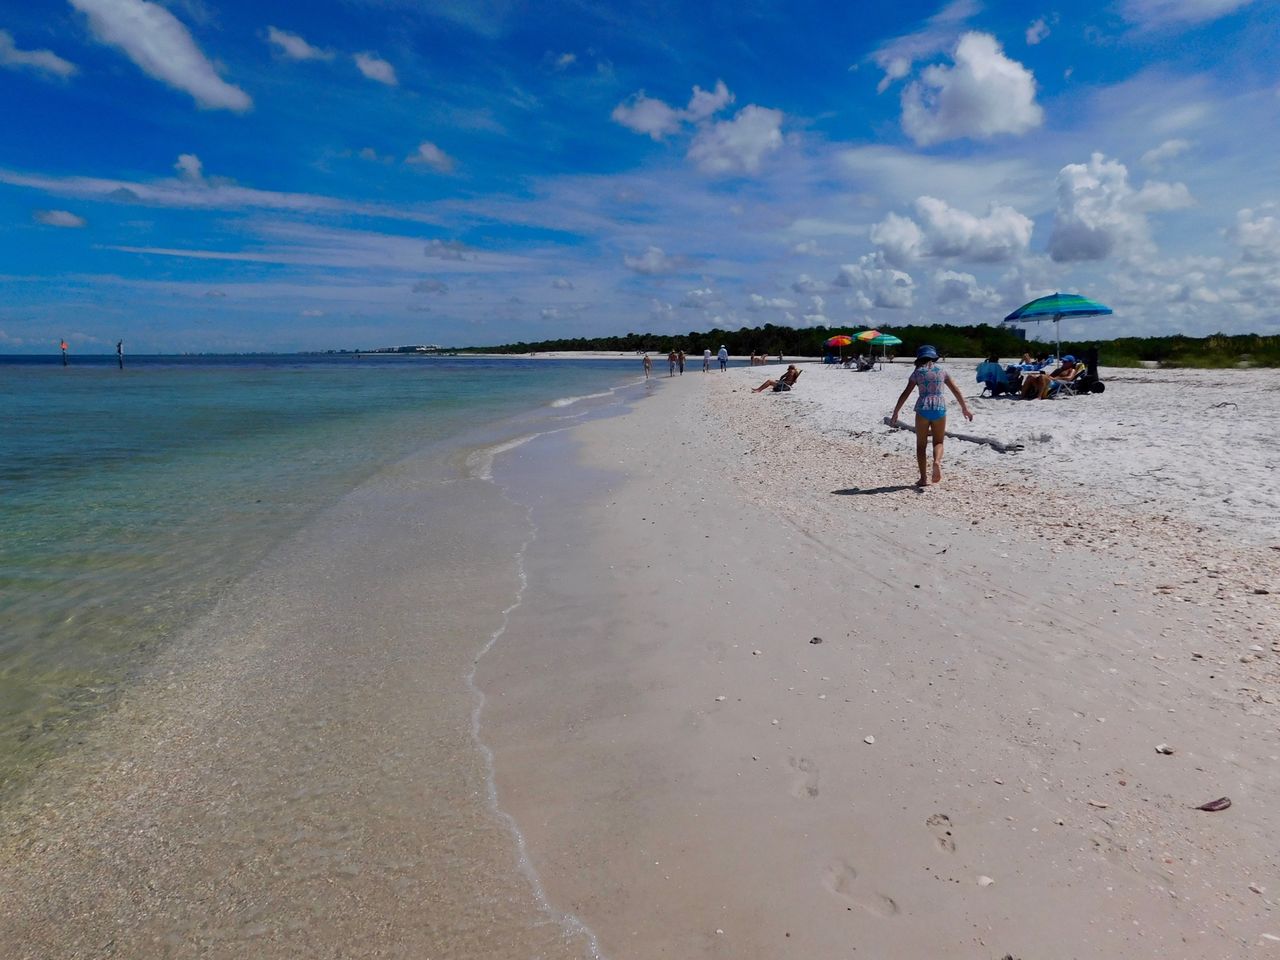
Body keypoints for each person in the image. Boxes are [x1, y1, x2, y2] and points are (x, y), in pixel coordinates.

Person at [890, 345, 974, 487]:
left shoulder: (917, 372)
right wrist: (965, 408)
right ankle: (937, 462)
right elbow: (955, 390)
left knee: (921, 446)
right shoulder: (942, 371)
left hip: (922, 408)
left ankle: (923, 478)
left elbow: (905, 393)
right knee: (939, 442)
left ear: (920, 358)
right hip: (939, 408)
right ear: (934, 357)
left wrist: (896, 411)